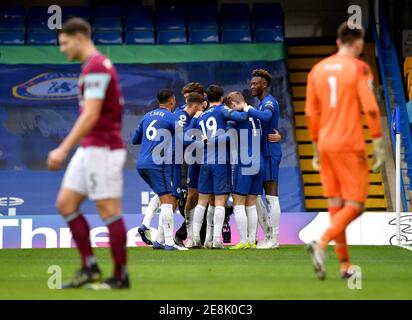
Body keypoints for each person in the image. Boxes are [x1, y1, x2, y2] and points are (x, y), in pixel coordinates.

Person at [47, 18, 129, 290]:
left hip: (103, 148)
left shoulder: (96, 66)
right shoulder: (92, 66)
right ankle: (90, 266)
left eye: (64, 43)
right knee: (66, 203)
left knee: (108, 211)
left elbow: (91, 114)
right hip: (90, 149)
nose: (62, 49)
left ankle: (119, 276)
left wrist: (63, 147)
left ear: (80, 38)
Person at [305, 22, 385, 280]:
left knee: (335, 205)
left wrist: (316, 147)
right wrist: (378, 142)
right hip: (350, 144)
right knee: (356, 205)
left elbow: (310, 112)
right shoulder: (360, 68)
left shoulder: (317, 70)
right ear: (359, 43)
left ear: (338, 42)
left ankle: (344, 267)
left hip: (326, 143)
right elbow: (371, 108)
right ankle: (321, 241)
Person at [136, 92, 206, 247]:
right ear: (172, 101)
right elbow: (183, 138)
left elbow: (136, 139)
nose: (203, 108)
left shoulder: (148, 116)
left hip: (153, 161)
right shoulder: (176, 116)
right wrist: (204, 143)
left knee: (165, 195)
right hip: (171, 162)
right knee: (170, 199)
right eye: (202, 105)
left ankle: (157, 238)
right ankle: (167, 242)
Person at [191, 85, 246, 248]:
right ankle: (216, 240)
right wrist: (243, 108)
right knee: (220, 201)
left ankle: (195, 239)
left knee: (202, 201)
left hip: (205, 161)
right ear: (222, 99)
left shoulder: (201, 116)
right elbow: (241, 118)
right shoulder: (222, 110)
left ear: (207, 98)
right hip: (221, 161)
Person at [244, 69, 282, 249]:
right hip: (260, 155)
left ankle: (274, 239)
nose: (251, 86)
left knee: (272, 197)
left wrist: (247, 109)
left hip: (270, 154)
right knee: (256, 197)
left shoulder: (269, 102)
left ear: (264, 85)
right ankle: (267, 234)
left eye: (255, 84)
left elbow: (267, 117)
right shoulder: (259, 104)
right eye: (251, 83)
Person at [225, 92, 264, 249]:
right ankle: (252, 241)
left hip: (245, 161)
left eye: (230, 107)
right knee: (251, 203)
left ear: (234, 103)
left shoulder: (237, 116)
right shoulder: (256, 113)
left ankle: (244, 241)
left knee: (238, 202)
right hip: (259, 161)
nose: (230, 111)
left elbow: (227, 136)